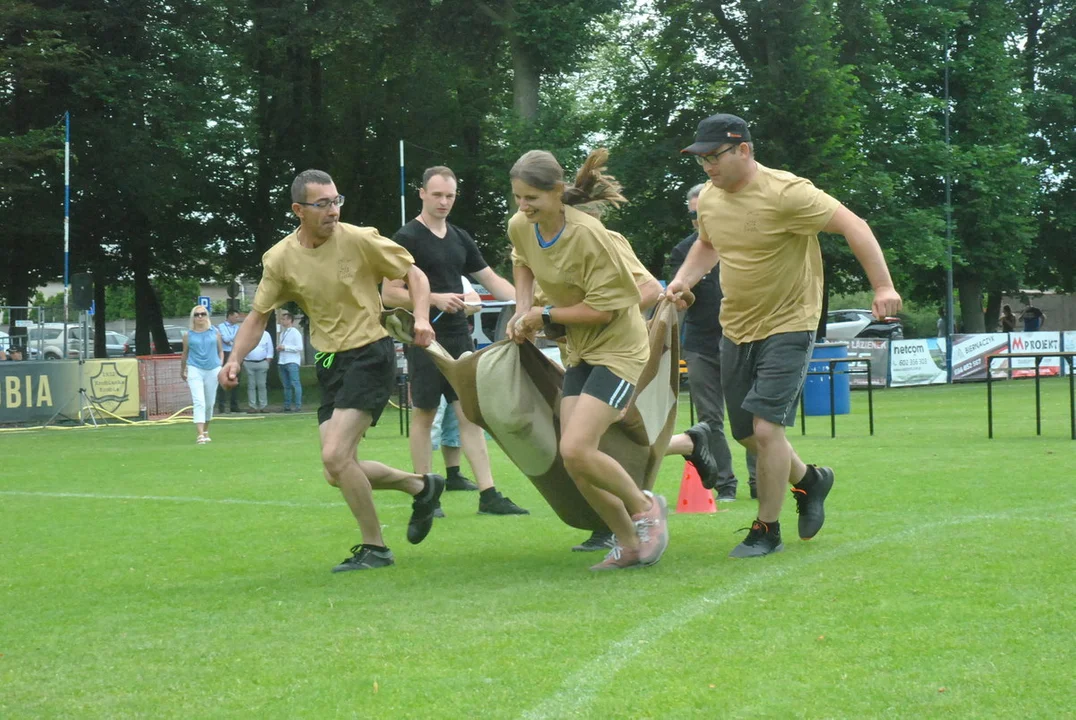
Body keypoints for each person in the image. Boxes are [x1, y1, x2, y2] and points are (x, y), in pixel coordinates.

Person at [667, 113, 902, 558]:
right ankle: (810, 481)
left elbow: (855, 226)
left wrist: (883, 286)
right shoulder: (712, 200)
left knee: (765, 427)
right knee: (746, 434)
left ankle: (766, 528)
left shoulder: (788, 193)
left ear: (744, 150)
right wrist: (685, 281)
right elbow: (707, 244)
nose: (708, 168)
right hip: (735, 325)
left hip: (791, 321)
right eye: (701, 160)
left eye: (715, 157)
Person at [219, 168, 445, 573]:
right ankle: (422, 486)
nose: (333, 211)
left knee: (336, 455)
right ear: (298, 210)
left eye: (336, 201)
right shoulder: (281, 258)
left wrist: (423, 317)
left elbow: (414, 274)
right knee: (335, 470)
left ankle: (375, 548)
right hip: (329, 362)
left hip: (370, 353)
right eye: (322, 204)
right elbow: (257, 316)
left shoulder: (359, 240)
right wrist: (234, 358)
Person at [507, 148, 669, 571]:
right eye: (518, 198)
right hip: (579, 350)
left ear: (557, 192)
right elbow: (521, 261)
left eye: (532, 199)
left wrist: (543, 314)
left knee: (577, 448)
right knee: (574, 459)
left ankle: (646, 507)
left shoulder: (590, 236)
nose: (523, 207)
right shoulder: (522, 226)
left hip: (619, 349)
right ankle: (630, 543)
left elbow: (607, 310)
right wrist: (521, 310)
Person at [383, 166, 528, 516]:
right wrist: (433, 299)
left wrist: (528, 308)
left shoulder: (460, 236)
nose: (444, 202)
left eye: (449, 195)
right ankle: (426, 493)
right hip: (424, 337)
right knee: (425, 412)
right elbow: (389, 293)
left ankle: (489, 494)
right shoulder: (406, 238)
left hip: (459, 336)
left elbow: (491, 279)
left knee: (470, 414)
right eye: (437, 195)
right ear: (422, 194)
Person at [667, 182, 757, 503]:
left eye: (701, 212)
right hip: (701, 344)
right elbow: (680, 298)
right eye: (692, 214)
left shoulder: (743, 241)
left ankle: (760, 481)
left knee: (751, 413)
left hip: (743, 339)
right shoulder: (684, 251)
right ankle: (725, 485)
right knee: (710, 418)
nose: (696, 219)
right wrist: (683, 294)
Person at [181, 305, 223, 444]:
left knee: (209, 403)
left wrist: (220, 366)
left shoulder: (215, 332)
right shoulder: (188, 335)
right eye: (197, 314)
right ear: (193, 317)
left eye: (203, 314)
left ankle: (205, 430)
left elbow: (220, 351)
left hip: (213, 369)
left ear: (207, 316)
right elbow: (185, 353)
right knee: (199, 402)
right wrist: (182, 370)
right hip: (195, 368)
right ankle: (199, 434)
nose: (200, 317)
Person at [215, 310, 243, 413]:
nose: (237, 319)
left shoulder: (238, 327)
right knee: (223, 379)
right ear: (229, 316)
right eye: (235, 317)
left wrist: (234, 339)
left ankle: (234, 406)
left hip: (235, 354)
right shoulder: (221, 327)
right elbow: (226, 339)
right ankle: (221, 406)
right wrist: (235, 338)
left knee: (236, 380)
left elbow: (240, 340)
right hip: (225, 354)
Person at [276, 311, 304, 412]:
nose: (282, 321)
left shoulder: (295, 332)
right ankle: (287, 405)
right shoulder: (283, 333)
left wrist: (285, 347)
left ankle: (298, 405)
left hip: (292, 361)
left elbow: (299, 347)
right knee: (286, 385)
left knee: (295, 383)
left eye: (284, 319)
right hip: (283, 361)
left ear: (289, 320)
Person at [243, 330, 273, 412]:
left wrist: (268, 361)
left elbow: (270, 348)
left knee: (262, 385)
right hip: (249, 362)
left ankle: (263, 406)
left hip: (262, 362)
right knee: (251, 385)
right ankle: (252, 406)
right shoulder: (247, 333)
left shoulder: (266, 334)